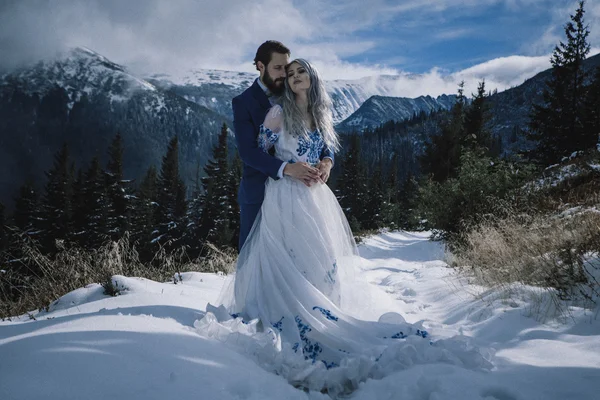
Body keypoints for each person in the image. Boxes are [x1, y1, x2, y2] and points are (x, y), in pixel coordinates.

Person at [198, 59, 492, 395]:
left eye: (300, 72)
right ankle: (288, 314)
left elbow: (325, 150)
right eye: (290, 74)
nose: (294, 77)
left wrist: (326, 163)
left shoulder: (320, 115)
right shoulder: (278, 113)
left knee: (320, 260)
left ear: (312, 77)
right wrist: (289, 169)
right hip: (285, 199)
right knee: (288, 259)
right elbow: (259, 154)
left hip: (315, 199)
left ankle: (322, 311)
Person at [232, 41, 334, 252]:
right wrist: (286, 168)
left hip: (305, 192)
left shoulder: (294, 94)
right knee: (256, 259)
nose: (284, 74)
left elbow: (321, 137)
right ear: (261, 66)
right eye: (278, 68)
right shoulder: (244, 102)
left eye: (286, 69)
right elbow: (248, 151)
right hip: (259, 191)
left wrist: (327, 160)